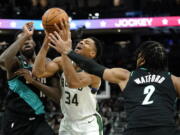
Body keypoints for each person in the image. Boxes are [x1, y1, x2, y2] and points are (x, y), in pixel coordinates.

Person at [48, 27, 180, 135]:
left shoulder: (126, 76)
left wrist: (68, 51)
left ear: (142, 60)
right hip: (166, 129)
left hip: (135, 130)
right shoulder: (174, 80)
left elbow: (95, 67)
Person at [32, 21, 103, 135]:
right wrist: (46, 44)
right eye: (82, 41)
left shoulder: (95, 73)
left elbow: (73, 83)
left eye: (87, 43)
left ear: (92, 53)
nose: (81, 42)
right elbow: (37, 73)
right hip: (67, 122)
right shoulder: (61, 61)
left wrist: (65, 51)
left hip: (88, 124)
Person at [0, 22, 60, 135]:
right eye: (23, 40)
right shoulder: (16, 63)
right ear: (17, 45)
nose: (27, 40)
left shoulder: (48, 64)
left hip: (38, 120)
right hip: (16, 120)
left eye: (29, 38)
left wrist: (34, 82)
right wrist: (25, 35)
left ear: (34, 43)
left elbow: (57, 97)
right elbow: (2, 61)